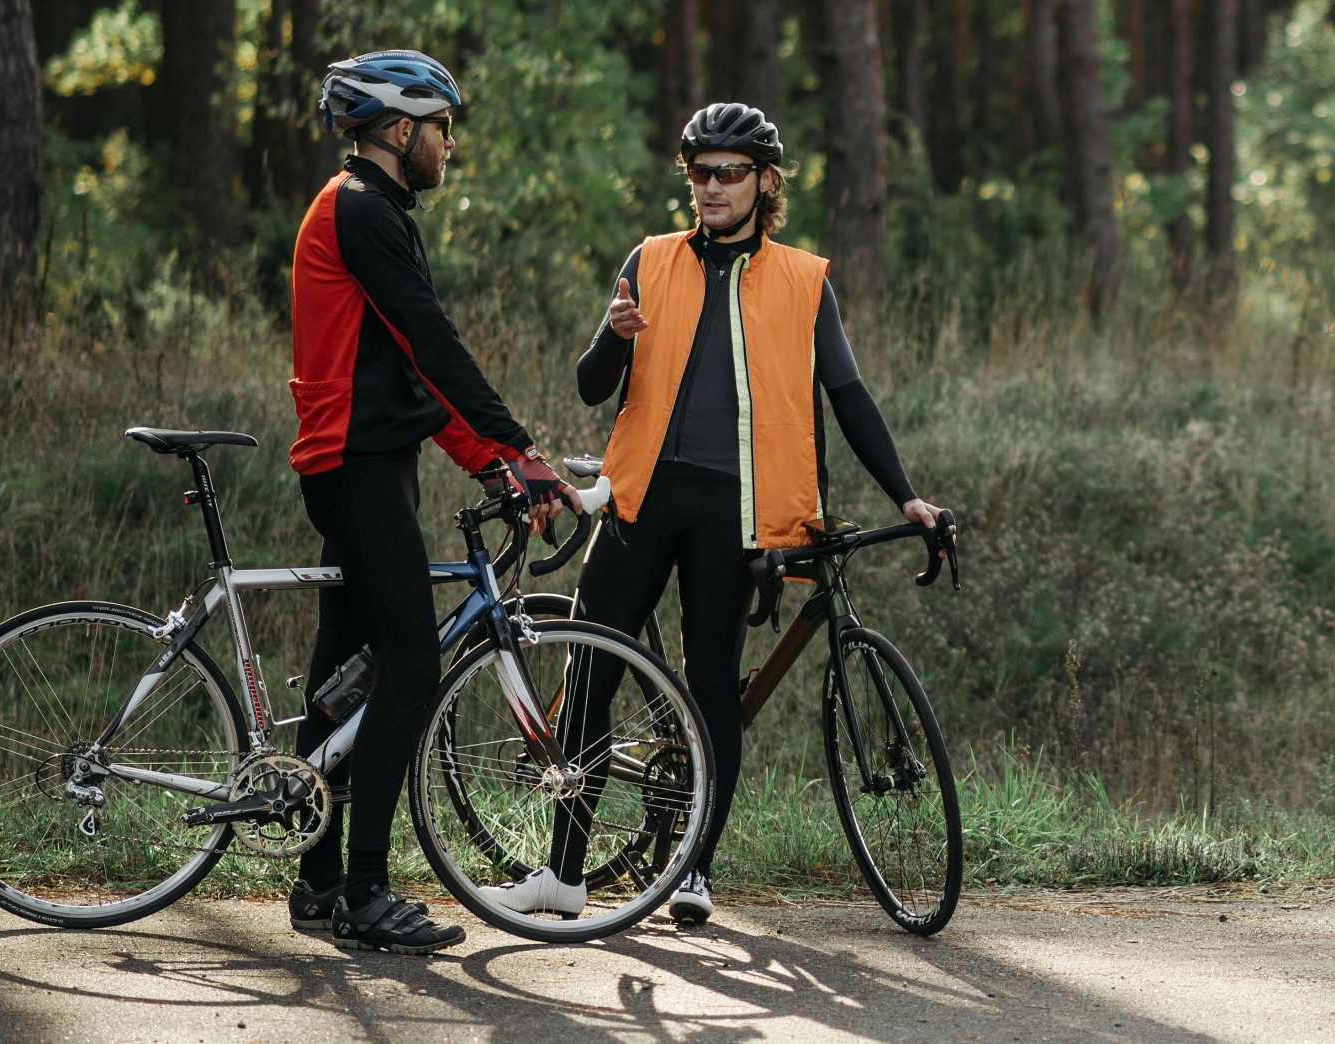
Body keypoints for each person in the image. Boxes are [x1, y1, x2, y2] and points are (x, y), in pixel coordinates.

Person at [478, 102, 941, 924]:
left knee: (710, 691)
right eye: (700, 173)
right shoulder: (650, 260)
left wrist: (905, 493)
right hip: (640, 499)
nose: (713, 187)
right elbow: (589, 386)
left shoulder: (804, 282)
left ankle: (692, 869)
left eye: (731, 172)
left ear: (766, 182)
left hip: (737, 514)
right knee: (591, 673)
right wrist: (614, 337)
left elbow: (850, 399)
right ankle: (563, 873)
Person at [288, 49, 576, 954]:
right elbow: (434, 344)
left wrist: (488, 463)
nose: (450, 144)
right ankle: (368, 892)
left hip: (366, 463)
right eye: (443, 126)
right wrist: (518, 447)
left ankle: (318, 876)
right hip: (355, 467)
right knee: (412, 662)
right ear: (399, 129)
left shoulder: (370, 211)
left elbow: (414, 375)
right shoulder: (361, 210)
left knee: (346, 677)